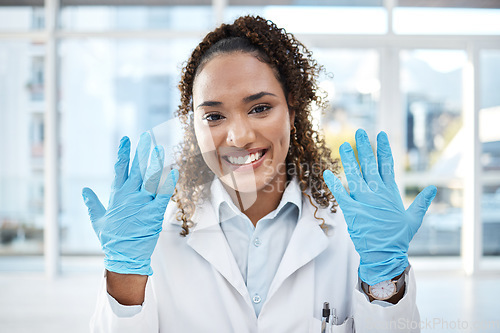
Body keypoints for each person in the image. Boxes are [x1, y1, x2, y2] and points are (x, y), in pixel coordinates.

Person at [82, 15, 437, 333]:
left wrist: (385, 280)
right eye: (214, 116)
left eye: (260, 108)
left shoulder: (355, 233)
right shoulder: (153, 237)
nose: (239, 136)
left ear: (293, 111)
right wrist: (125, 272)